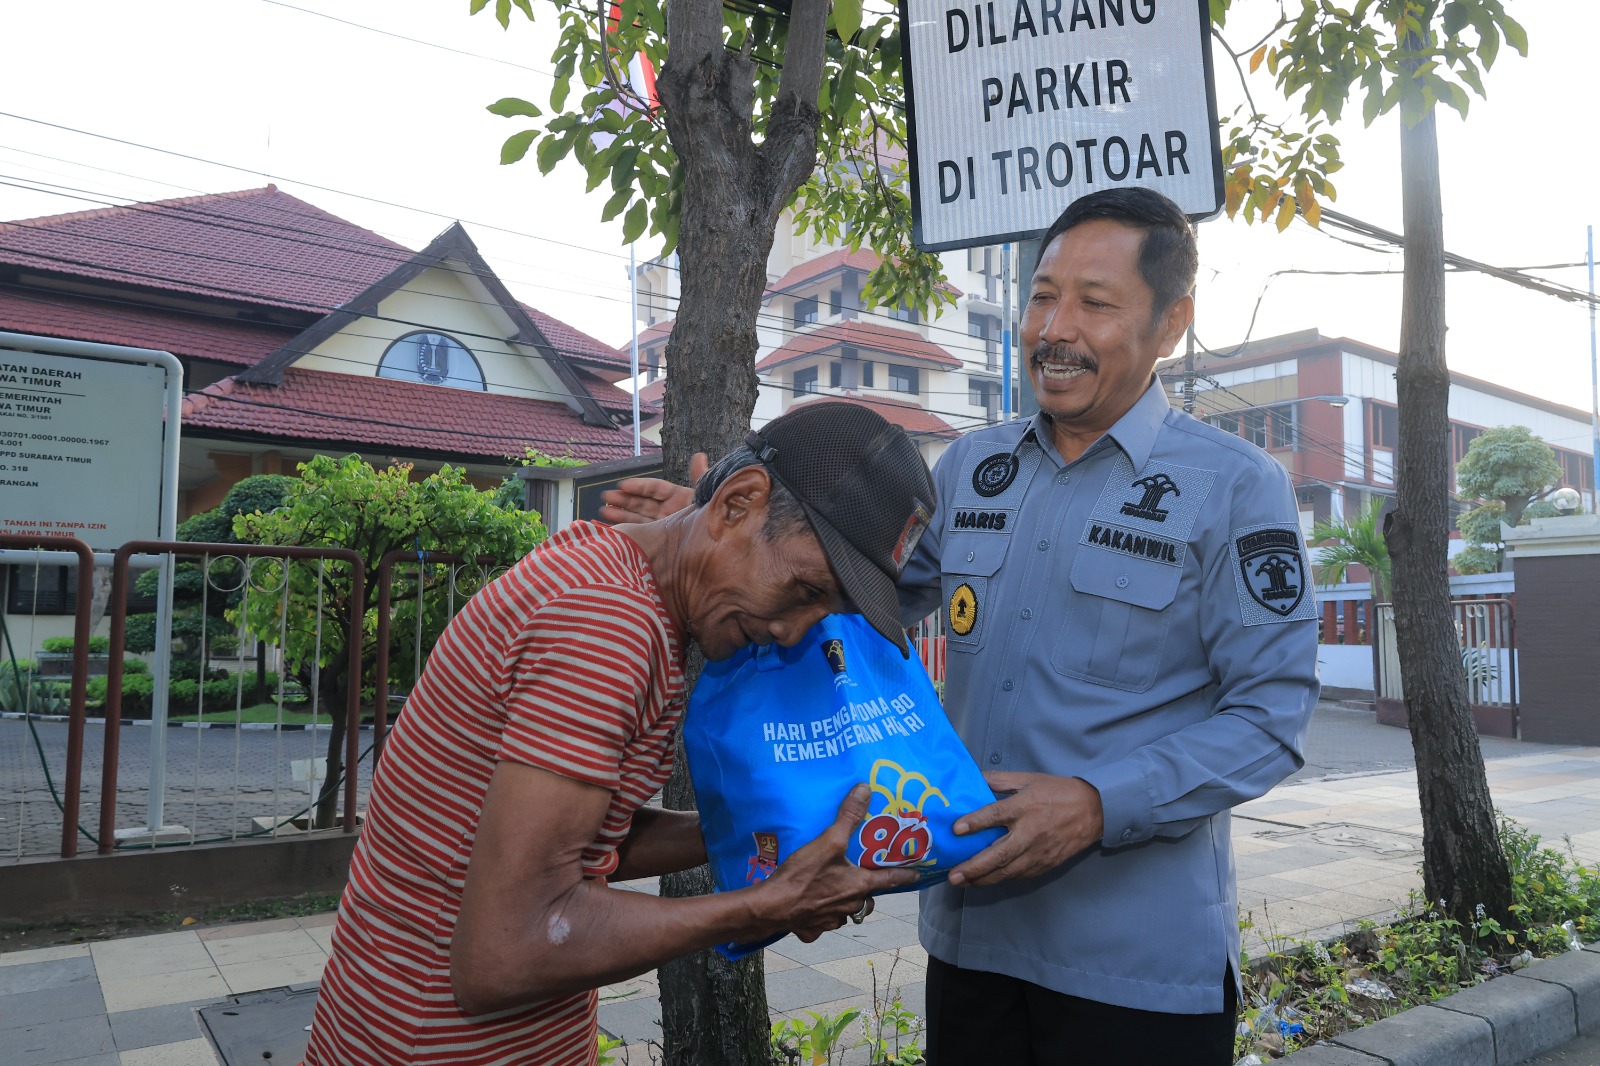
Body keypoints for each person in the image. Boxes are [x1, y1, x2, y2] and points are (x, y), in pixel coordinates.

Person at [602, 188, 1320, 1065]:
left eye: (1095, 303)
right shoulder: (973, 467)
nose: (1054, 329)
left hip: (1137, 965)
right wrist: (732, 542)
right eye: (1042, 296)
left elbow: (1270, 719)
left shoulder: (1237, 486)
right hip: (971, 942)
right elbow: (848, 603)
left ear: (1171, 323)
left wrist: (1099, 805)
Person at [304, 401, 934, 1066]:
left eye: (824, 611)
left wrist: (778, 831)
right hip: (431, 1045)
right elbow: (506, 951)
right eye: (804, 590)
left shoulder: (608, 571)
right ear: (736, 504)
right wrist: (766, 906)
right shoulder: (607, 626)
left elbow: (581, 842)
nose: (793, 631)